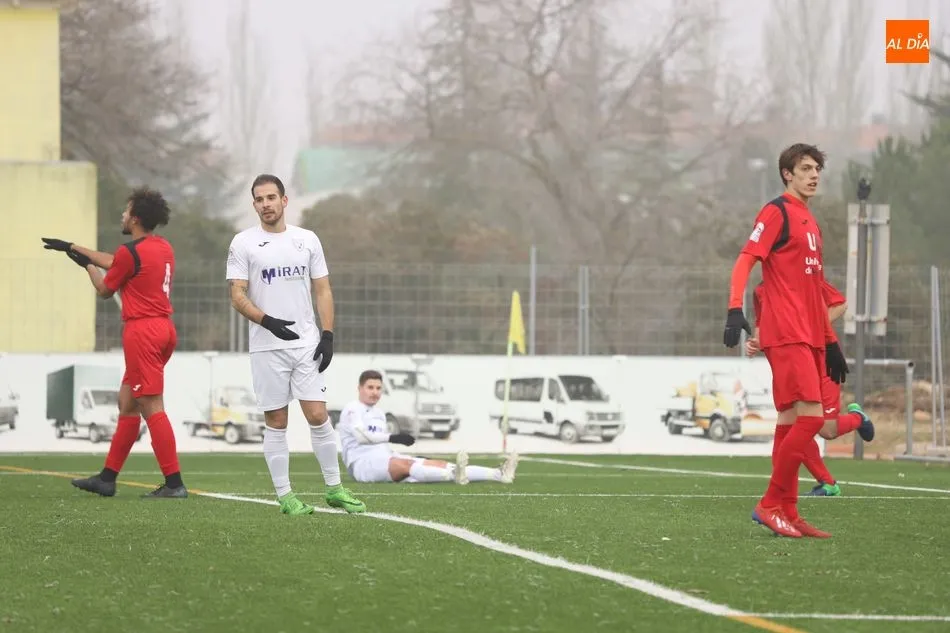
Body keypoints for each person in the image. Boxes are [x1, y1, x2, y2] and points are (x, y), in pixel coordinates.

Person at [722, 143, 849, 539]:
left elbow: (815, 293)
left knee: (791, 420)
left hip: (808, 334)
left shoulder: (810, 222)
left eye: (817, 169)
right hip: (786, 331)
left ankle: (789, 512)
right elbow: (745, 259)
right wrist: (734, 308)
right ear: (787, 174)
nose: (813, 175)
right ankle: (770, 504)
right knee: (813, 418)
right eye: (805, 169)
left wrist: (830, 341)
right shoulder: (776, 211)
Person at [226, 174, 365, 516]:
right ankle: (286, 497)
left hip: (306, 343)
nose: (266, 204)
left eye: (271, 197)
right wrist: (267, 321)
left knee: (318, 415)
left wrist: (327, 335)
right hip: (266, 346)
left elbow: (323, 289)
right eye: (259, 199)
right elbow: (237, 294)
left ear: (284, 200)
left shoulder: (307, 240)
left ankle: (335, 489)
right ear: (254, 205)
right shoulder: (243, 243)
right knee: (276, 420)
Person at [42, 187, 188, 498]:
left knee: (151, 405)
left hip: (142, 333)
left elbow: (105, 290)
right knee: (128, 403)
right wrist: (74, 247)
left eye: (126, 211)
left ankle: (174, 484)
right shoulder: (162, 247)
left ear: (134, 219)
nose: (122, 215)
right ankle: (107, 479)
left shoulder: (128, 253)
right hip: (164, 330)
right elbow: (118, 260)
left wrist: (87, 266)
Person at [747, 279, 875, 496]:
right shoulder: (760, 290)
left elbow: (840, 304)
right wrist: (756, 342)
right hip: (793, 364)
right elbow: (762, 326)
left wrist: (810, 329)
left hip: (823, 359)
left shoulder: (804, 276)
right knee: (796, 424)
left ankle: (857, 419)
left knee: (827, 430)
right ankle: (826, 484)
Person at [337, 370, 520, 484]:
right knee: (407, 465)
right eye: (370, 387)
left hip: (385, 458)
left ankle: (499, 474)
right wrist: (394, 437)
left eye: (378, 388)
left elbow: (381, 446)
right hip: (362, 465)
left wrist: (395, 449)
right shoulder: (352, 409)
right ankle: (453, 475)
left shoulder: (379, 413)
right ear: (359, 388)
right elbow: (362, 437)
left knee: (435, 463)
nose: (375, 392)